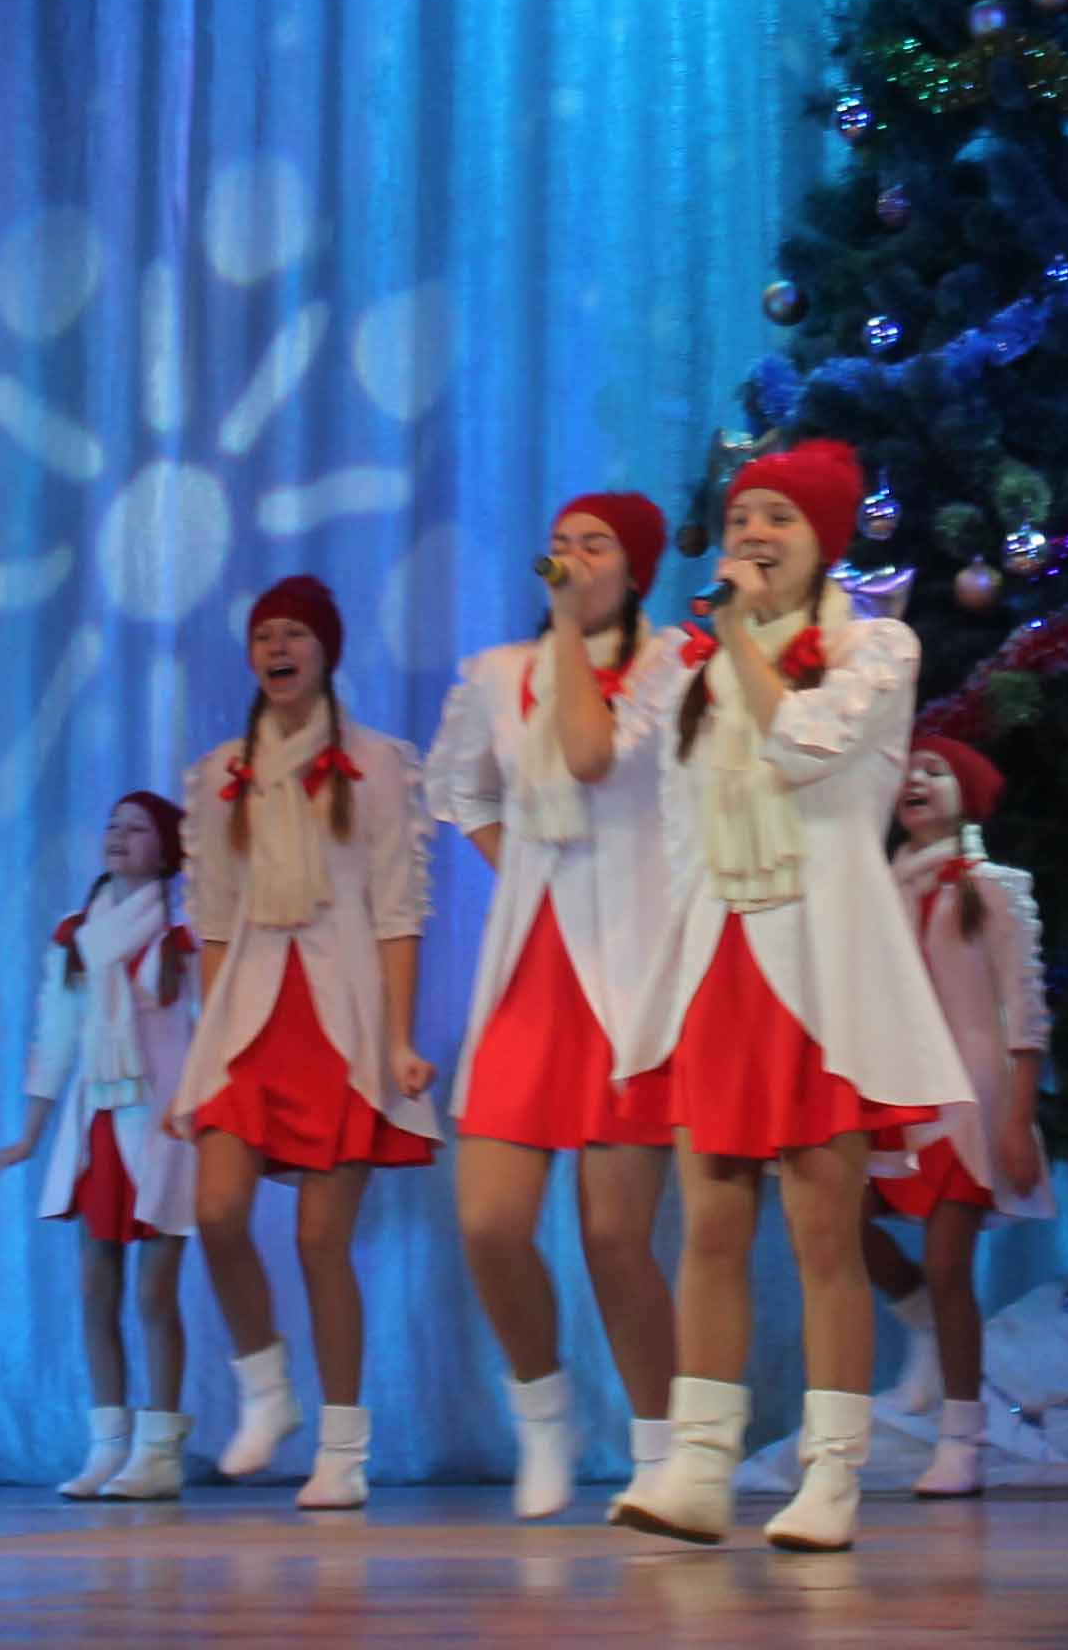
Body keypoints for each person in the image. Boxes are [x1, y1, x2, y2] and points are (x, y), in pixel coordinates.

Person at [605, 439, 968, 1553]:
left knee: (825, 1231)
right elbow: (665, 815)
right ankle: (699, 1466)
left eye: (780, 520)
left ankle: (834, 1473)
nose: (755, 535)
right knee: (711, 1222)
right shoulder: (689, 667)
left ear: (825, 542)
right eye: (742, 518)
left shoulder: (876, 648)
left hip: (823, 968)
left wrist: (735, 643)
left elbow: (806, 746)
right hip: (722, 956)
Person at [423, 497, 686, 1518]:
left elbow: (591, 755)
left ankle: (661, 1448)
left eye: (596, 544)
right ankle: (543, 1416)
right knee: (488, 1222)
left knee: (616, 1240)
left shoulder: (673, 666)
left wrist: (571, 635)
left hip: (632, 975)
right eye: (561, 544)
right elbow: (464, 793)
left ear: (636, 567)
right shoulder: (498, 674)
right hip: (530, 969)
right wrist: (529, 869)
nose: (571, 559)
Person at [168, 574, 436, 1511]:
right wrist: (203, 1051)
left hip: (340, 1020)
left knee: (324, 1240)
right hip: (250, 1019)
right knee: (215, 1209)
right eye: (264, 635)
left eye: (294, 634)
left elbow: (399, 912)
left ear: (326, 651)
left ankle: (344, 1449)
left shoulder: (378, 765)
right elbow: (211, 924)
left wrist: (399, 1040)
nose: (277, 649)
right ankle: (264, 1387)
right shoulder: (218, 777)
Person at [0, 790, 201, 1501]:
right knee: (95, 1289)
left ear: (167, 851)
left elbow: (207, 1030)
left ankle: (160, 1451)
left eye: (137, 828)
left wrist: (202, 1112)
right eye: (112, 826)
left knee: (155, 1294)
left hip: (164, 1125)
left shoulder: (186, 932)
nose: (118, 837)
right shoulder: (77, 933)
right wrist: (29, 1136)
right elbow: (57, 1036)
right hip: (98, 1119)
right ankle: (107, 1445)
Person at [863, 735, 1049, 1499]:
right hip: (893, 1090)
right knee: (842, 1222)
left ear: (965, 795)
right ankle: (922, 1327)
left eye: (935, 771)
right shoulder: (877, 892)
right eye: (907, 772)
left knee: (948, 1265)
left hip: (967, 1097)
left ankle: (962, 1438)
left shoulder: (993, 888)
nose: (917, 780)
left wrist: (1018, 1118)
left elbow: (1024, 1010)